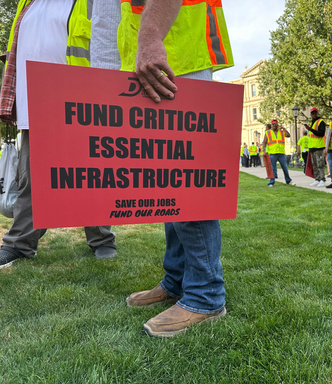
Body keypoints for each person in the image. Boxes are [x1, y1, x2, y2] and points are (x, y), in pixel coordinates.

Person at [79, 0, 231, 337]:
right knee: (168, 184)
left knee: (188, 182)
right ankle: (177, 279)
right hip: (153, 62)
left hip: (173, 57)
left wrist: (150, 39)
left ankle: (206, 295)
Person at [0, 0, 120, 269]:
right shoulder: (27, 3)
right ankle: (19, 244)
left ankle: (102, 239)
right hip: (36, 101)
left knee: (92, 175)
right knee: (31, 177)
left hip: (81, 98)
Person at [261, 119, 296, 187]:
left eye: (276, 124)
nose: (274, 126)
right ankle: (271, 182)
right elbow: (264, 142)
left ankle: (288, 181)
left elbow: (288, 135)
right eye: (273, 124)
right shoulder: (268, 132)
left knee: (285, 168)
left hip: (281, 153)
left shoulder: (281, 132)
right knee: (272, 169)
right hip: (272, 153)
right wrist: (264, 151)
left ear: (278, 125)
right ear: (271, 125)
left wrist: (284, 128)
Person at [304, 107, 327, 187]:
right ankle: (317, 179)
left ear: (317, 113)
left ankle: (322, 179)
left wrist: (311, 129)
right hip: (312, 147)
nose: (314, 114)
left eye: (315, 113)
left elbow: (321, 133)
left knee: (320, 164)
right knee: (314, 165)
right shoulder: (312, 122)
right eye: (312, 113)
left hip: (319, 147)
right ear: (311, 114)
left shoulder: (321, 122)